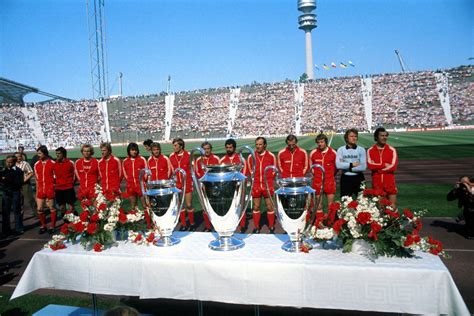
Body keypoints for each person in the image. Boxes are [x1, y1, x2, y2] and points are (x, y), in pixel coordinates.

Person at [247, 137, 277, 234]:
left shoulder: (271, 156)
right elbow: (249, 170)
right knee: (256, 206)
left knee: (269, 207)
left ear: (265, 145)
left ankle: (271, 226)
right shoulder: (251, 156)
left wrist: (269, 181)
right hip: (256, 185)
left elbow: (274, 170)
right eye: (256, 144)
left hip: (267, 185)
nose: (258, 146)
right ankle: (256, 227)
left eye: (260, 144)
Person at [220, 138, 248, 232]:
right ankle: (231, 224)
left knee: (240, 205)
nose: (228, 149)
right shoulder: (222, 160)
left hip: (239, 186)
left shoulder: (240, 158)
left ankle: (242, 225)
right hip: (227, 187)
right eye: (227, 147)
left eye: (230, 147)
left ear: (234, 148)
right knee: (229, 206)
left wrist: (240, 182)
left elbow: (245, 171)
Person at [367, 127, 399, 206]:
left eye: (385, 135)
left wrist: (378, 170)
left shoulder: (392, 150)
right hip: (377, 184)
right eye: (382, 135)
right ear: (376, 137)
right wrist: (384, 164)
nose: (384, 137)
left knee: (392, 207)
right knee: (380, 208)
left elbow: (393, 166)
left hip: (390, 183)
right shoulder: (370, 150)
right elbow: (370, 165)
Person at [169, 138, 195, 231]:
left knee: (188, 204)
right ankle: (183, 224)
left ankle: (192, 223)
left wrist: (191, 181)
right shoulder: (171, 156)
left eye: (175, 145)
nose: (174, 147)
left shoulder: (188, 155)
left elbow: (193, 169)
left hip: (187, 183)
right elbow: (171, 171)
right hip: (177, 184)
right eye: (173, 145)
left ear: (181, 146)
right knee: (180, 205)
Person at [309, 134, 337, 217]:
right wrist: (316, 175)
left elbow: (336, 167)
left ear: (326, 142)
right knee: (318, 205)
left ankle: (330, 223)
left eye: (322, 142)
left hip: (329, 182)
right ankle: (319, 224)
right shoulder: (313, 153)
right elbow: (311, 167)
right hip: (317, 182)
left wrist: (330, 175)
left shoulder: (333, 153)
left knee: (330, 205)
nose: (320, 144)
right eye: (318, 142)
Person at [195, 141, 219, 232]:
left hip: (214, 186)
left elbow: (218, 171)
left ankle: (216, 225)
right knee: (205, 207)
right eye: (204, 149)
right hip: (203, 186)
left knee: (215, 205)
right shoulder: (198, 160)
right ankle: (208, 226)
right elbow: (197, 173)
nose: (206, 151)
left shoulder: (216, 158)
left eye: (208, 148)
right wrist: (203, 182)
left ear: (211, 149)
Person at [336, 128, 367, 198]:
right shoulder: (340, 150)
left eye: (355, 136)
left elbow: (363, 167)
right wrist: (352, 164)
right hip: (345, 179)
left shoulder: (361, 150)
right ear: (346, 138)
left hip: (359, 178)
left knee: (363, 202)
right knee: (345, 202)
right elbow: (338, 165)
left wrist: (346, 167)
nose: (354, 138)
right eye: (351, 136)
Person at [34, 145, 57, 234]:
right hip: (40, 189)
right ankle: (43, 225)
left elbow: (56, 178)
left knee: (52, 208)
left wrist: (54, 188)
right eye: (38, 154)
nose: (38, 155)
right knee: (39, 209)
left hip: (50, 189)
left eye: (40, 153)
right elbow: (37, 179)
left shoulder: (52, 163)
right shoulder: (37, 164)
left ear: (45, 153)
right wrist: (37, 191)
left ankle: (52, 226)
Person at [0, 155, 24, 236]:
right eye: (7, 162)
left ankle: (19, 228)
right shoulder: (3, 170)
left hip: (15, 192)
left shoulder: (19, 171)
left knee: (17, 210)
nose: (8, 164)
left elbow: (19, 182)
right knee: (5, 212)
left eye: (10, 162)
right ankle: (5, 230)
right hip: (6, 192)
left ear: (14, 162)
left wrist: (7, 180)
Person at [122, 142, 147, 209]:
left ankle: (147, 217)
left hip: (141, 185)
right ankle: (135, 217)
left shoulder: (142, 159)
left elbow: (146, 171)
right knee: (133, 206)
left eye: (135, 150)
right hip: (131, 185)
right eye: (132, 150)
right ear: (129, 151)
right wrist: (129, 181)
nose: (134, 152)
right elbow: (124, 173)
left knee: (145, 206)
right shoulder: (125, 161)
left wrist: (143, 181)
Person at [53, 147, 76, 216]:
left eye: (59, 153)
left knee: (70, 207)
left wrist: (71, 184)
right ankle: (65, 223)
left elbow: (75, 175)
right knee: (62, 208)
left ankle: (74, 222)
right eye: (56, 153)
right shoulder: (55, 164)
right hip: (59, 188)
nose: (57, 155)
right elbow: (53, 176)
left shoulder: (70, 163)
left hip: (68, 188)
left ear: (63, 154)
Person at [15, 151, 36, 215]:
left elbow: (31, 173)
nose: (18, 158)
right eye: (17, 156)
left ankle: (38, 213)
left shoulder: (25, 163)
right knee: (19, 200)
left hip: (25, 184)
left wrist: (24, 180)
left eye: (20, 156)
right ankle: (20, 215)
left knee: (30, 200)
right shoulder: (13, 164)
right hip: (16, 185)